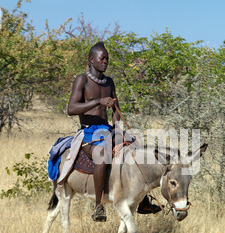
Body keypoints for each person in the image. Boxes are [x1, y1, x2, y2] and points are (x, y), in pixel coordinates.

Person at [66, 41, 161, 222]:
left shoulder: (109, 82)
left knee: (137, 149)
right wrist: (98, 102)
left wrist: (118, 129)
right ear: (91, 59)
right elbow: (71, 108)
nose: (105, 62)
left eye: (107, 59)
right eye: (102, 58)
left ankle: (143, 201)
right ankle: (99, 206)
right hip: (88, 132)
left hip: (108, 129)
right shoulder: (82, 80)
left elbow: (115, 111)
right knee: (102, 158)